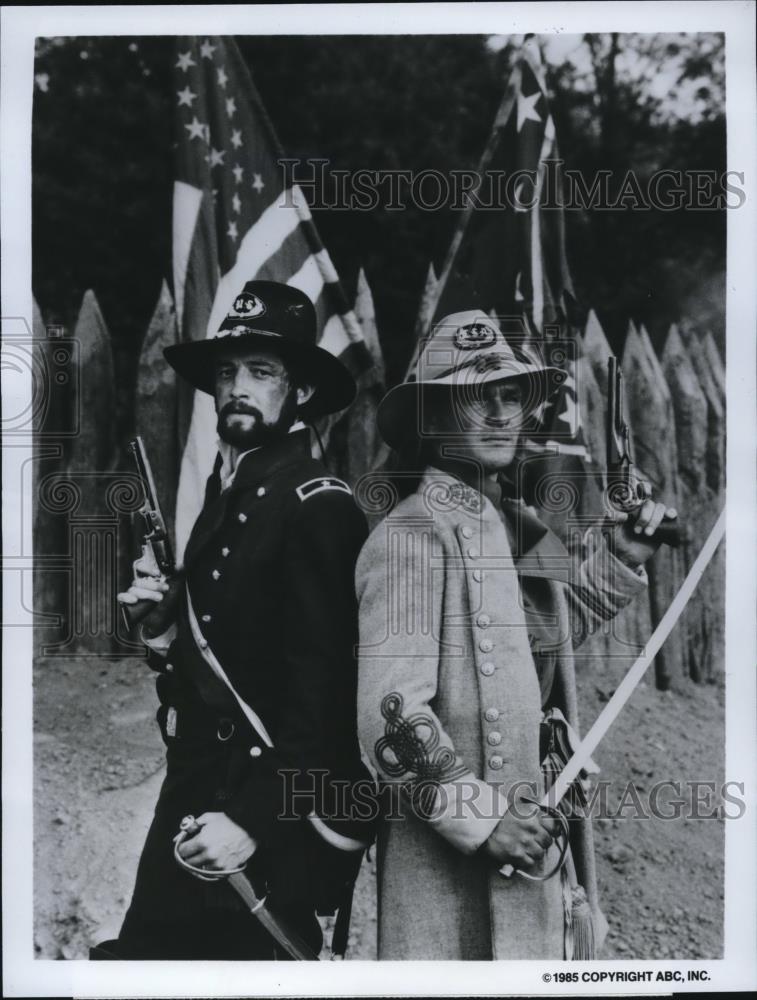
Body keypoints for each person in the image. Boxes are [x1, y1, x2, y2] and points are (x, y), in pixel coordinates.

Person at [355, 310, 678, 960]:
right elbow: (390, 719)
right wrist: (483, 819)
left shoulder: (515, 523)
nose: (502, 414)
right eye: (476, 399)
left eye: (510, 396)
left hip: (536, 858)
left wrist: (619, 558)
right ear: (434, 419)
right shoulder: (411, 537)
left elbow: (536, 648)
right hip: (450, 878)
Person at [102, 280, 374, 960]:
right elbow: (224, 655)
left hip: (261, 809)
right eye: (226, 372)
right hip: (196, 787)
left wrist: (253, 822)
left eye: (259, 372)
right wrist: (164, 634)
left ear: (301, 393)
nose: (235, 388)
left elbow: (325, 696)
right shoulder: (229, 494)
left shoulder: (318, 503)